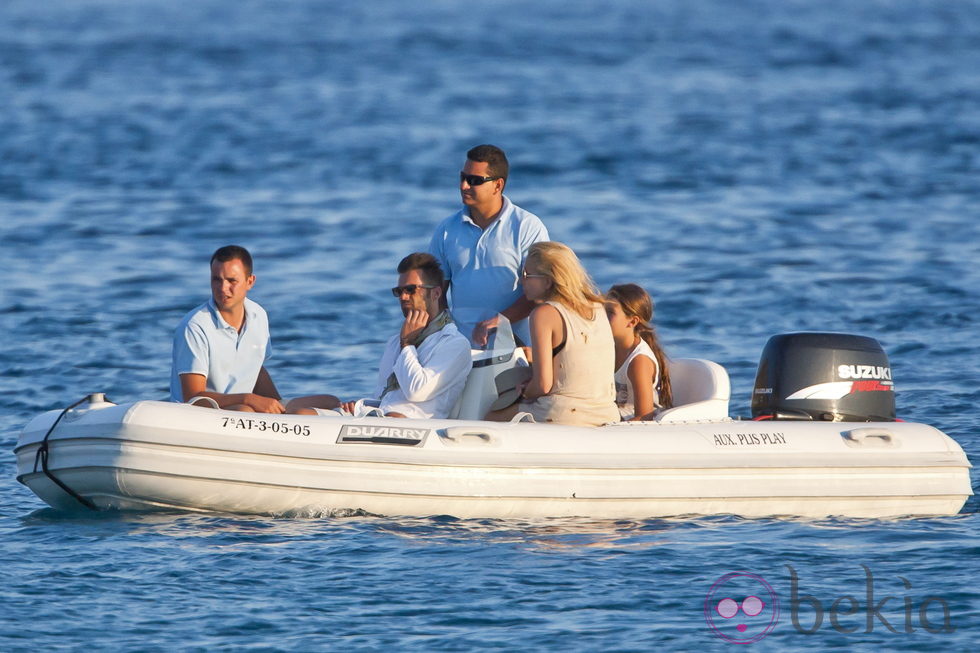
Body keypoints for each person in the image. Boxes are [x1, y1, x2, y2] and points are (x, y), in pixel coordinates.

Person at [286, 253, 471, 419]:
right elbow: (384, 394)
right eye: (399, 291)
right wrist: (362, 405)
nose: (403, 297)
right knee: (301, 414)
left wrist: (407, 344)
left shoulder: (454, 343)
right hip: (379, 416)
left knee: (394, 416)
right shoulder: (395, 341)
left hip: (410, 426)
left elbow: (417, 391)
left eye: (411, 290)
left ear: (436, 293)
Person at [429, 144, 549, 347]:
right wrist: (445, 336)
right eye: (462, 177)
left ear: (498, 185)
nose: (464, 186)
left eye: (474, 180)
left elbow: (542, 291)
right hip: (461, 353)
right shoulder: (446, 230)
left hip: (516, 352)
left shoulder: (528, 227)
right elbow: (435, 293)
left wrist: (500, 321)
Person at [486, 242, 619, 427]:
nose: (521, 281)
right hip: (607, 413)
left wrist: (524, 392)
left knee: (490, 417)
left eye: (526, 275)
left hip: (565, 414)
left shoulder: (544, 314)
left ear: (548, 281)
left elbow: (542, 385)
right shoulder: (598, 307)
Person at [170, 245, 283, 413]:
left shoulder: (259, 315)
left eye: (232, 281)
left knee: (326, 401)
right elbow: (193, 397)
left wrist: (278, 406)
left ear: (250, 282)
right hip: (198, 417)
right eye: (216, 279)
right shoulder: (195, 326)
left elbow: (256, 370)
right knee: (246, 411)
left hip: (244, 413)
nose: (223, 288)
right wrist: (248, 398)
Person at [605, 284, 673, 421]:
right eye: (603, 311)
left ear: (632, 321)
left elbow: (644, 417)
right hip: (612, 417)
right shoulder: (607, 348)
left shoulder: (638, 361)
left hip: (631, 426)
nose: (603, 317)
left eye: (610, 312)